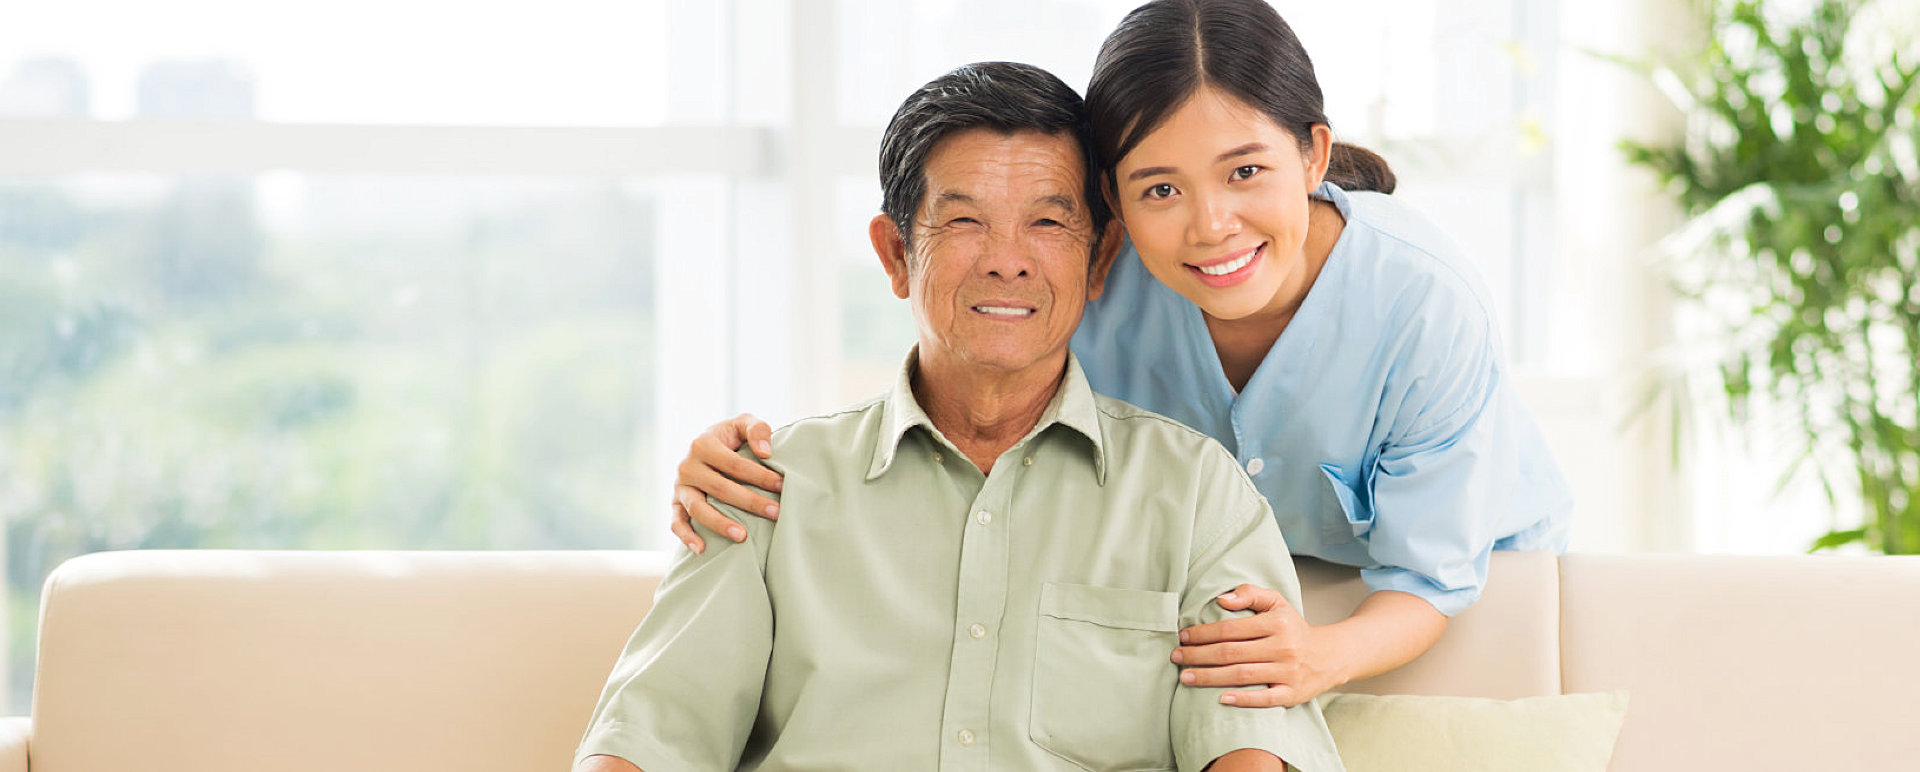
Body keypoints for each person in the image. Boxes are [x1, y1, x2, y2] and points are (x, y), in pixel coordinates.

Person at [669, 0, 1573, 709]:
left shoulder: (1422, 301)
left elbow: (1430, 575)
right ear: (1113, 202)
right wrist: (755, 468)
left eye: (1246, 171)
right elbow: (964, 379)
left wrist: (1320, 653)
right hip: (1218, 586)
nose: (1211, 225)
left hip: (1443, 589)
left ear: (1312, 155)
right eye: (1160, 188)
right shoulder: (1097, 275)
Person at [576, 61, 1344, 772]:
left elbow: (1249, 747)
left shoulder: (1196, 492)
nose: (1007, 259)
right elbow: (646, 741)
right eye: (965, 221)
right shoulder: (761, 488)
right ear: (895, 255)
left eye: (1048, 223)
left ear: (1102, 257)